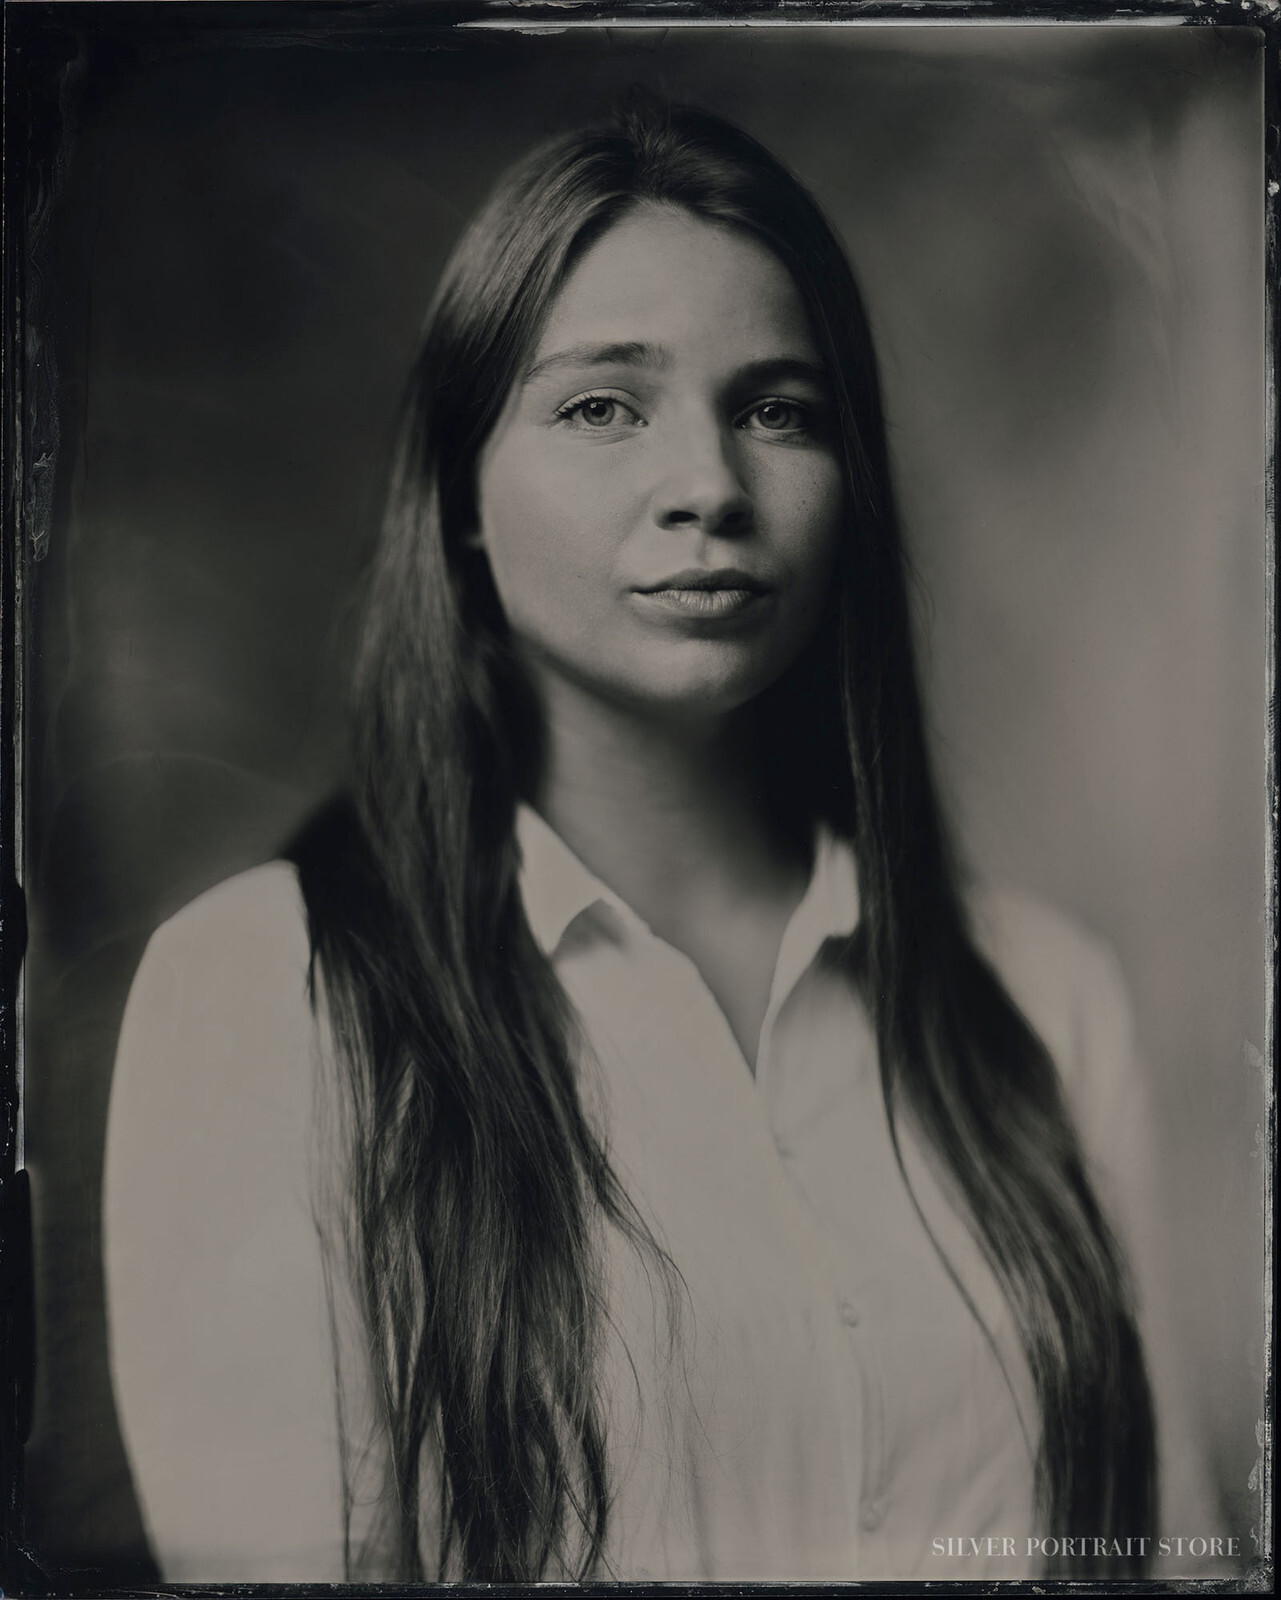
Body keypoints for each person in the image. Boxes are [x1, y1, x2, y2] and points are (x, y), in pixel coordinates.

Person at [103, 98, 1216, 1583]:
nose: (709, 487)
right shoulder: (269, 989)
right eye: (600, 407)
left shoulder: (1041, 995)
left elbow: (1180, 1553)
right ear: (460, 507)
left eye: (779, 409)